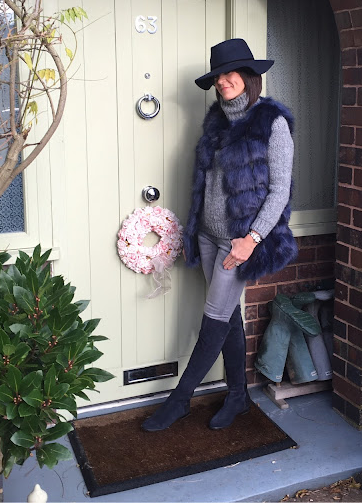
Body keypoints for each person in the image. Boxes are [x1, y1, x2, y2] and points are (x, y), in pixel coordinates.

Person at [142, 38, 297, 432]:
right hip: (209, 237)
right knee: (228, 317)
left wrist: (253, 238)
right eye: (217, 76)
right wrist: (197, 230)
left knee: (213, 319)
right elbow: (207, 183)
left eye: (230, 73)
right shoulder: (216, 120)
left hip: (238, 243)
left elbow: (280, 190)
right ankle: (238, 397)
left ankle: (179, 401)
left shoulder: (271, 123)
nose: (223, 81)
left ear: (249, 76)